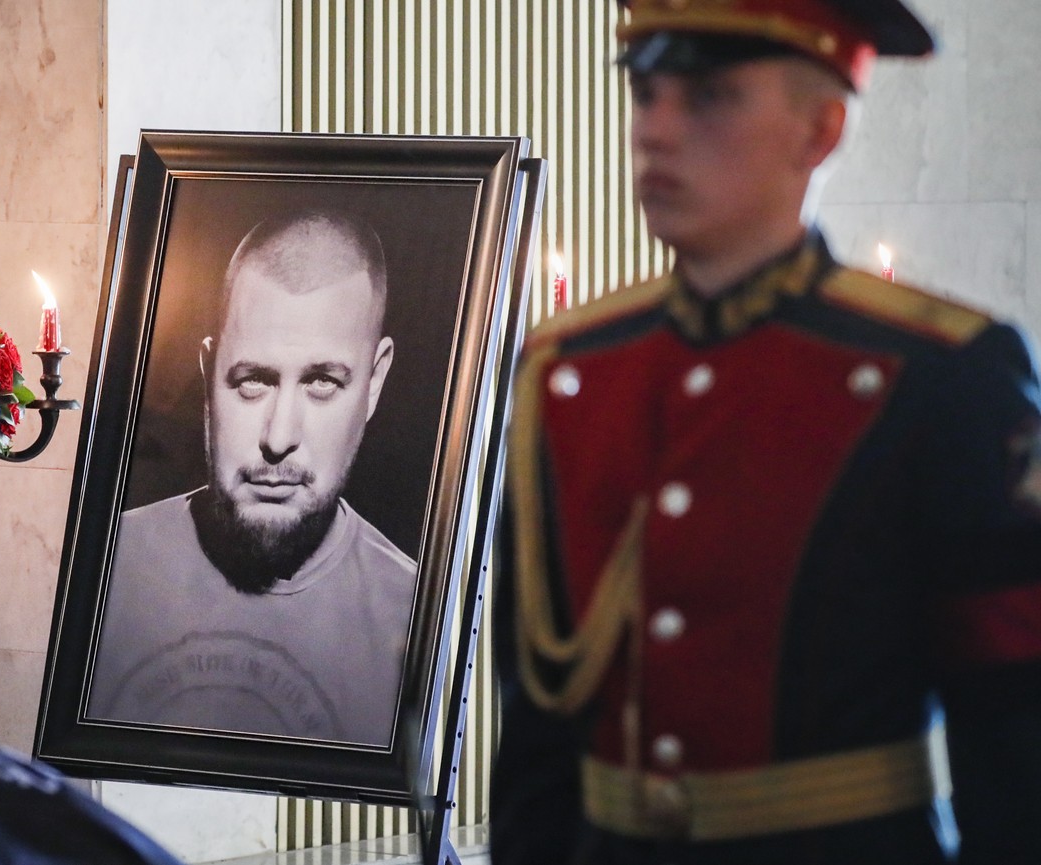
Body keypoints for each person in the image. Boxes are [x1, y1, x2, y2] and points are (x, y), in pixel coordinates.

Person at [492, 0, 1041, 862]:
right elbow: (537, 727)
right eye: (645, 93)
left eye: (709, 96)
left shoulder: (940, 374)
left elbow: (1014, 734)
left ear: (819, 132)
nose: (656, 131)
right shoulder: (571, 370)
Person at [89, 208, 418, 747]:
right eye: (252, 381)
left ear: (374, 382)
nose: (279, 436)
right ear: (209, 372)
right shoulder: (103, 565)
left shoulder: (415, 611)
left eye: (322, 382)